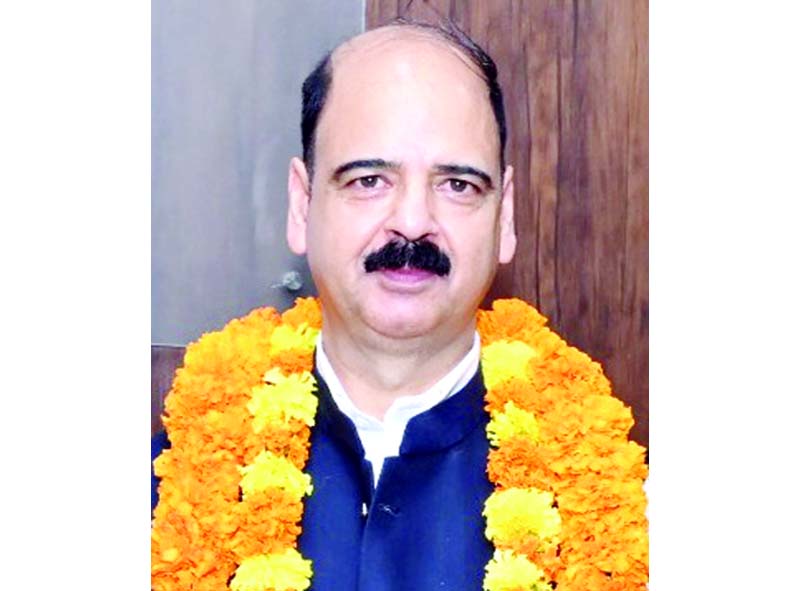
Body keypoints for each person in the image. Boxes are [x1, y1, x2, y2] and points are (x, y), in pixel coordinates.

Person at [152, 19, 648, 591]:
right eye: (368, 180)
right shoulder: (169, 496)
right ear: (302, 204)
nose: (412, 222)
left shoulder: (621, 517)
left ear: (505, 216)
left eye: (458, 185)